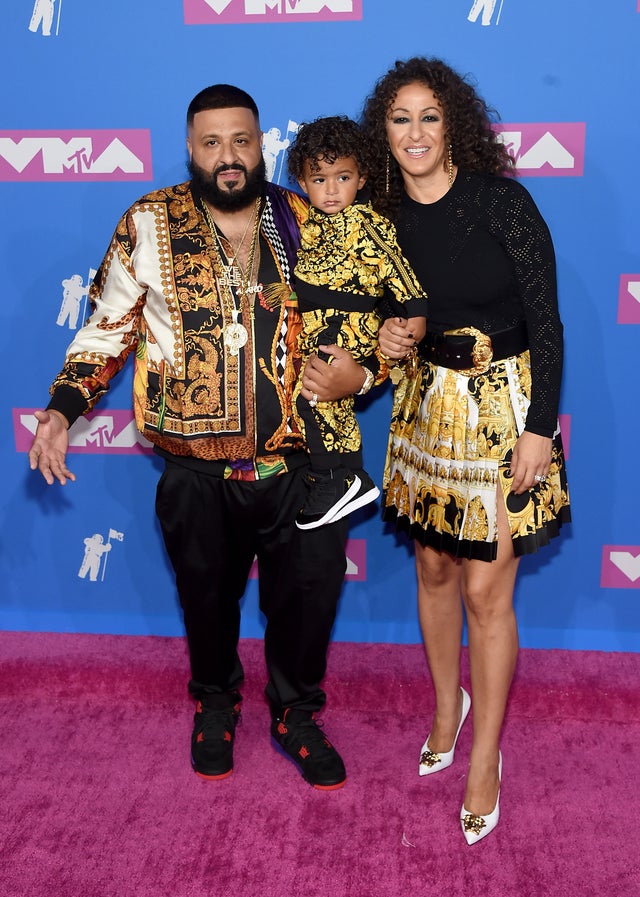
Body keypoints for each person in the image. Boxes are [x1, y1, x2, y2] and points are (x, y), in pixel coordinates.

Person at [27, 84, 371, 792]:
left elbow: (368, 318)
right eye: (211, 143)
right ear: (190, 147)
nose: (228, 156)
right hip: (193, 469)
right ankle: (215, 703)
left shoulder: (309, 218)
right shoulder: (147, 221)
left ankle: (296, 713)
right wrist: (62, 409)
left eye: (241, 140)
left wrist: (364, 369)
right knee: (206, 598)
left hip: (299, 462)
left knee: (307, 601)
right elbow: (108, 328)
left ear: (262, 143)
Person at [361, 57, 571, 843]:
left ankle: (486, 757)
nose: (414, 134)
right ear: (383, 132)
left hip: (504, 410)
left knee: (489, 592)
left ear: (454, 125)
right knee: (434, 567)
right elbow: (382, 324)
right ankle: (447, 705)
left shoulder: (501, 202)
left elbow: (547, 323)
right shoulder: (379, 220)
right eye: (399, 119)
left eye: (429, 117)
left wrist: (539, 428)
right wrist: (385, 335)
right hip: (422, 412)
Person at [287, 115, 428, 529]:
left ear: (362, 177)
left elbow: (403, 277)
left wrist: (414, 321)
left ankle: (341, 476)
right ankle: (341, 477)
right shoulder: (308, 226)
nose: (331, 190)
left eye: (342, 177)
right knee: (315, 401)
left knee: (312, 396)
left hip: (352, 329)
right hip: (317, 329)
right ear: (301, 181)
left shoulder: (369, 224)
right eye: (319, 179)